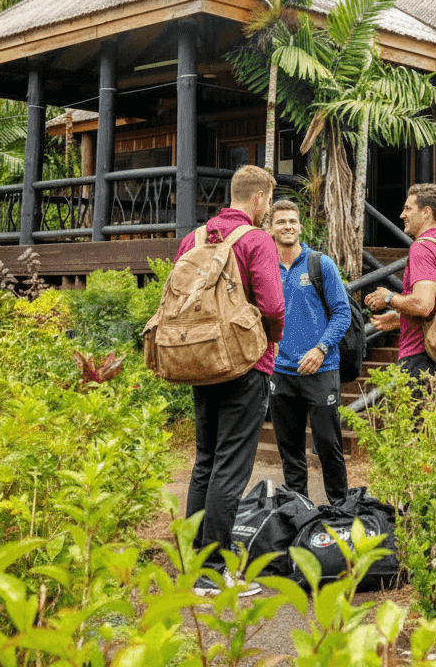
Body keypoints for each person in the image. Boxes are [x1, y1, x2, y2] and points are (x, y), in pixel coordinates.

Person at [174, 165, 284, 597]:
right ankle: (213, 571)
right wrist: (271, 343)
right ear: (258, 199)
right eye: (269, 200)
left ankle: (193, 562)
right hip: (243, 363)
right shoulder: (256, 239)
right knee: (231, 467)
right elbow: (273, 306)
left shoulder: (194, 238)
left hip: (200, 360)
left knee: (205, 461)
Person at [267, 199, 352, 505]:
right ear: (270, 228)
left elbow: (343, 314)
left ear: (300, 226)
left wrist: (321, 348)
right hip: (281, 372)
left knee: (328, 446)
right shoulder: (265, 268)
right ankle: (298, 511)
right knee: (289, 450)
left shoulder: (320, 264)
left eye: (292, 221)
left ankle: (340, 509)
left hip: (321, 369)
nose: (287, 226)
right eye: (280, 222)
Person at [364, 183, 436, 380]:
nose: (402, 215)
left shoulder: (421, 248)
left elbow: (423, 305)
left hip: (421, 357)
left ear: (426, 213)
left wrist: (388, 298)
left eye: (408, 208)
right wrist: (401, 319)